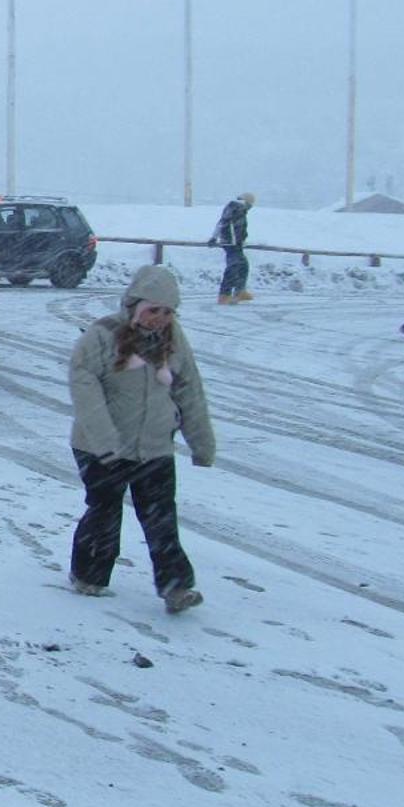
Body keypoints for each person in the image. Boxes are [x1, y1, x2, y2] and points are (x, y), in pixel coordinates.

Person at [66, 264, 215, 615]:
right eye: (153, 310)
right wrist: (106, 443)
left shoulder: (173, 340)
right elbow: (85, 391)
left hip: (154, 446)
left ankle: (176, 587)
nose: (159, 319)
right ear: (134, 305)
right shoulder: (102, 337)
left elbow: (189, 389)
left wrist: (201, 441)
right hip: (100, 447)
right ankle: (89, 575)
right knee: (104, 512)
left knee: (161, 518)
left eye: (167, 312)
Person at [208, 191, 254, 305]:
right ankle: (224, 295)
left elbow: (224, 223)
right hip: (231, 243)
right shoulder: (236, 208)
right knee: (233, 268)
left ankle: (240, 291)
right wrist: (216, 237)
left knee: (243, 265)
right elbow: (224, 223)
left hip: (234, 242)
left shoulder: (237, 208)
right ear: (247, 202)